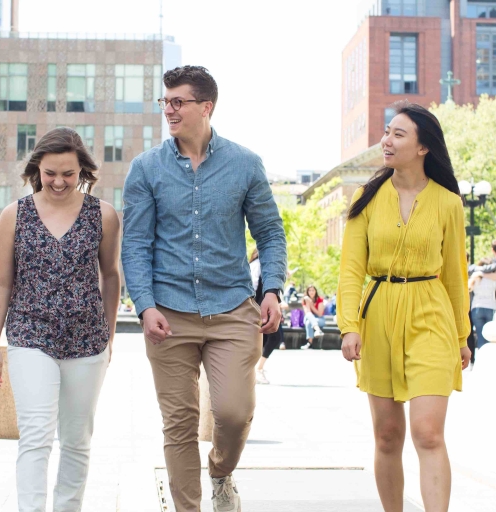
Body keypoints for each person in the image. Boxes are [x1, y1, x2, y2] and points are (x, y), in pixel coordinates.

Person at [121, 65, 287, 512]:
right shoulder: (146, 168)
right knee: (178, 423)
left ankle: (221, 472)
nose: (168, 110)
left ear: (206, 106)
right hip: (168, 313)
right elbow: (135, 243)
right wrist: (144, 306)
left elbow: (270, 233)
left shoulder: (245, 164)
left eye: (178, 101)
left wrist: (272, 289)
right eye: (165, 101)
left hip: (232, 308)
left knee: (233, 412)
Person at [338, 101, 472, 512]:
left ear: (423, 147)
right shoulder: (366, 198)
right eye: (387, 132)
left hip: (431, 315)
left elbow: (455, 275)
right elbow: (350, 270)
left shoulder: (448, 203)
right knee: (387, 436)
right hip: (378, 315)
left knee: (428, 433)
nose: (387, 140)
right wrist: (349, 326)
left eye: (398, 134)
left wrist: (462, 336)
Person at [0, 127, 121, 511]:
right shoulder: (14, 215)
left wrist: (109, 337)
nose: (59, 182)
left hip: (88, 341)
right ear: (36, 170)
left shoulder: (103, 215)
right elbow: (1, 282)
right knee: (36, 435)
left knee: (76, 440)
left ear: (82, 172)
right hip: (30, 336)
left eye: (68, 174)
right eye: (50, 173)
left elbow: (111, 276)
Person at [250, 249, 283, 386]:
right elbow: (253, 286)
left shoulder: (261, 266)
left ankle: (257, 369)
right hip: (260, 307)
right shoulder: (257, 265)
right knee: (272, 337)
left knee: (267, 338)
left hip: (263, 307)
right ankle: (258, 369)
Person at [468, 259, 496, 349]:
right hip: (490, 307)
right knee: (490, 336)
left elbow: (468, 287)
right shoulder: (493, 279)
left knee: (480, 335)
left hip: (477, 308)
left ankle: (481, 354)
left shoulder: (476, 278)